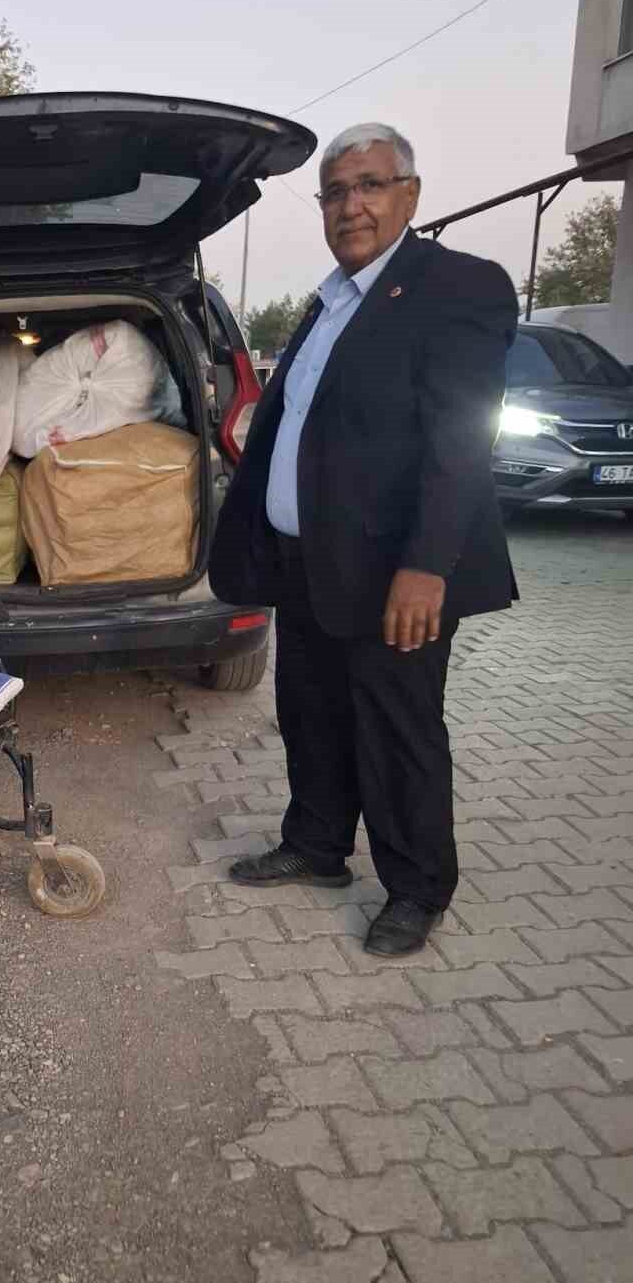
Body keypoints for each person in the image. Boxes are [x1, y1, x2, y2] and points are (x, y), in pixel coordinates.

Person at [209, 123, 518, 957]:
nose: (352, 206)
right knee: (310, 711)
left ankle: (417, 887)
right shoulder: (330, 301)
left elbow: (461, 439)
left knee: (397, 728)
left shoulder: (456, 286)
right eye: (337, 192)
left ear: (409, 195)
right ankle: (316, 845)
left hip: (395, 572)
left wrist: (426, 567)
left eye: (371, 186)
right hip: (310, 560)